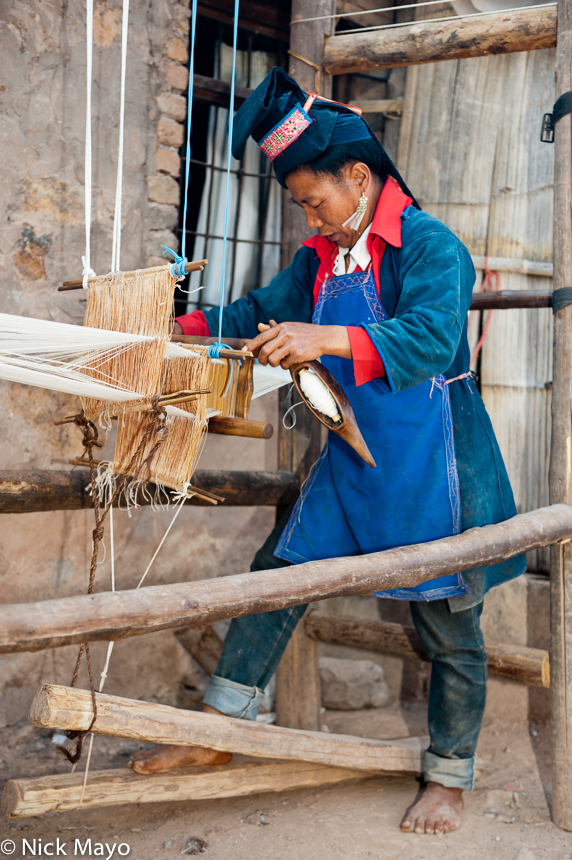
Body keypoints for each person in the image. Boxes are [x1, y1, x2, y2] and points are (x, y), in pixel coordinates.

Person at [129, 68, 525, 835]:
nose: (314, 218)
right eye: (303, 206)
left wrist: (323, 336)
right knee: (275, 578)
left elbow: (431, 339)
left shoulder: (430, 247)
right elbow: (257, 310)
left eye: (318, 200)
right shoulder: (320, 261)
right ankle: (220, 731)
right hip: (352, 456)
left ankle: (448, 777)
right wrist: (174, 331)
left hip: (434, 463)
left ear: (359, 175)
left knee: (448, 625)